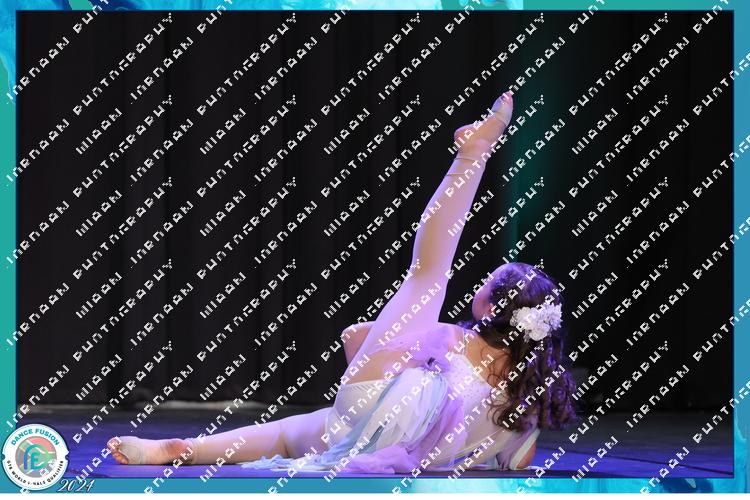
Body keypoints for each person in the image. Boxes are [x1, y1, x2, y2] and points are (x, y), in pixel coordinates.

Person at [107, 90, 578, 473]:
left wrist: (364, 341)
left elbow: (371, 355)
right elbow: (517, 461)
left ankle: (473, 155)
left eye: (486, 283)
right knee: (296, 434)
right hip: (393, 444)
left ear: (492, 308)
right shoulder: (526, 401)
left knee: (428, 273)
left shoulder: (456, 340)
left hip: (378, 412)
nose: (478, 288)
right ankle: (182, 449)